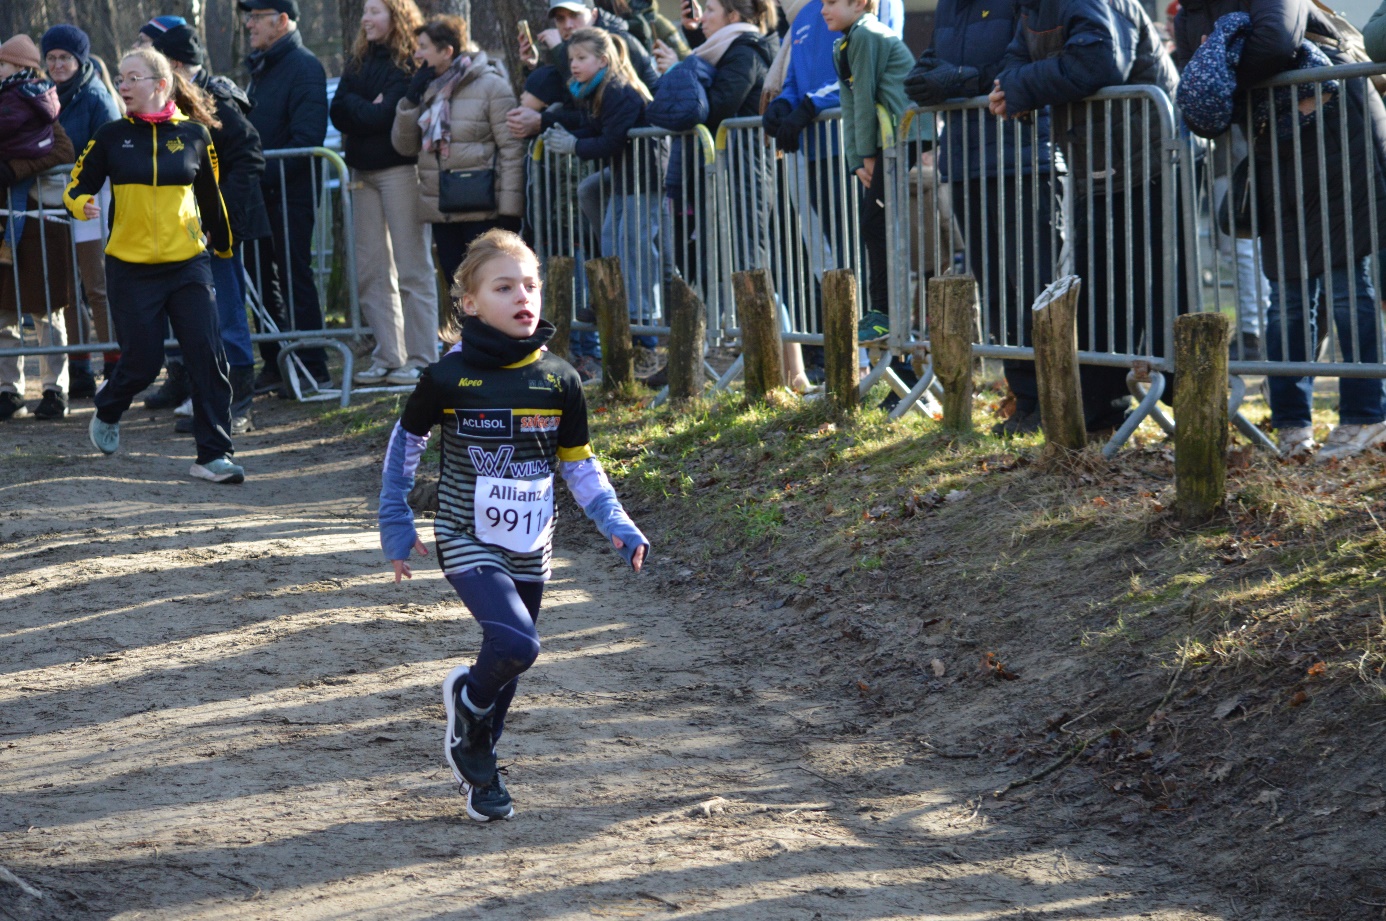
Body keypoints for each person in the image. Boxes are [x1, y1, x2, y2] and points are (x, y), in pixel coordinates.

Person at [379, 229, 648, 822]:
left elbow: (578, 465)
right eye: (504, 287)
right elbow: (406, 446)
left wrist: (616, 521)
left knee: (509, 657)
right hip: (464, 534)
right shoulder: (447, 376)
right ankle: (468, 707)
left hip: (531, 544)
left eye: (530, 285)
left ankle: (481, 766)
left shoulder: (560, 379)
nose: (523, 296)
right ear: (470, 303)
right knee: (518, 643)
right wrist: (395, 519)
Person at [1175, 0, 1386, 460]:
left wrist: (1222, 67)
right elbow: (1190, 83)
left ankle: (1365, 415)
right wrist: (1218, 72)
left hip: (1337, 134)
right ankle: (1293, 424)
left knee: (1350, 286)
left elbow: (1275, 44)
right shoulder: (1190, 10)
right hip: (1276, 143)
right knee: (1287, 298)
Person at [992, 0, 1180, 436]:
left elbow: (1099, 64)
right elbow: (1012, 63)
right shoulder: (1032, 9)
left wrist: (1023, 86)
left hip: (1149, 157)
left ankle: (1192, 406)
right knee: (1097, 297)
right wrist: (1018, 86)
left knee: (1162, 292)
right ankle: (1098, 412)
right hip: (1094, 162)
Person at [65, 47, 245, 485]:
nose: (122, 86)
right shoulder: (109, 137)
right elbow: (76, 185)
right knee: (143, 362)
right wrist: (83, 203)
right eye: (121, 78)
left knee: (208, 356)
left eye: (132, 78)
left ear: (159, 85)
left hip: (188, 265)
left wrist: (221, 248)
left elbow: (211, 197)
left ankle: (214, 455)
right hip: (130, 266)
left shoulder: (197, 136)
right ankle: (109, 409)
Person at [904, 0, 1057, 435]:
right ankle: (1025, 399)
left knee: (1035, 284)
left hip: (1023, 155)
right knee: (995, 288)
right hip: (966, 160)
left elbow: (1022, 56)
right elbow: (936, 59)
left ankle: (1055, 397)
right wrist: (924, 78)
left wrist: (962, 78)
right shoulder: (950, 6)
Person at [145, 18, 270, 435]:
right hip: (182, 230)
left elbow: (250, 152)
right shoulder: (160, 105)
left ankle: (240, 406)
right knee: (197, 317)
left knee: (230, 315)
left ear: (172, 64)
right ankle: (210, 400)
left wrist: (218, 218)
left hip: (218, 231)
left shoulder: (213, 97)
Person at [333, 0, 441, 388]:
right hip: (362, 172)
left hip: (401, 171)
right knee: (371, 270)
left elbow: (388, 113)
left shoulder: (411, 60)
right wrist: (367, 108)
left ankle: (423, 357)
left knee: (413, 268)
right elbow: (339, 110)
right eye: (363, 11)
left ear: (396, 15)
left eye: (374, 11)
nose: (365, 18)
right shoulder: (358, 59)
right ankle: (388, 355)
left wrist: (362, 109)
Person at [542, 29, 666, 361]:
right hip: (627, 177)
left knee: (632, 249)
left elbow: (612, 140)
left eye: (581, 58)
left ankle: (644, 339)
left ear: (603, 60)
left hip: (644, 179)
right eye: (570, 59)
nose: (574, 65)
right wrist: (564, 131)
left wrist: (573, 146)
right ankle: (611, 301)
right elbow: (597, 130)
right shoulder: (598, 91)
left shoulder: (617, 91)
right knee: (605, 222)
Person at [392, 15, 525, 286]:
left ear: (447, 51)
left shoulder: (491, 85)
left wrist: (510, 211)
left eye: (423, 47)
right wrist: (410, 100)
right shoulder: (427, 89)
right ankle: (465, 331)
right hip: (443, 208)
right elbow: (405, 147)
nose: (417, 54)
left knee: (488, 283)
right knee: (457, 287)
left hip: (483, 209)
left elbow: (512, 148)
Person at [240, 0, 331, 392]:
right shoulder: (261, 67)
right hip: (258, 195)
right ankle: (276, 363)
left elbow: (306, 139)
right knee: (260, 280)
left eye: (256, 17)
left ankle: (313, 366)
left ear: (282, 20)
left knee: (294, 277)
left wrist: (257, 174)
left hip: (289, 193)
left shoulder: (304, 66)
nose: (248, 24)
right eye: (248, 17)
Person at [41, 25, 123, 403]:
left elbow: (110, 147)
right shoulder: (43, 97)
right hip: (58, 203)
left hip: (93, 202)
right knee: (69, 291)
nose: (58, 64)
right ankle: (79, 369)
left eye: (65, 58)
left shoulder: (95, 96)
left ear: (80, 60)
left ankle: (114, 363)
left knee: (97, 286)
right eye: (52, 57)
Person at [821, 0, 912, 334]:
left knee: (876, 224)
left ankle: (887, 316)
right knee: (876, 224)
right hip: (883, 143)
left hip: (904, 138)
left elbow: (865, 98)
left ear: (859, 3)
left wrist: (869, 153)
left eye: (831, 2)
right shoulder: (843, 42)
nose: (823, 10)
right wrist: (857, 159)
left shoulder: (866, 33)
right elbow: (849, 102)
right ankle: (884, 315)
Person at [0, 122, 76, 422]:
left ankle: (55, 390)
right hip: (4, 225)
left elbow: (64, 151)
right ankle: (9, 391)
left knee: (48, 311)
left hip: (42, 225)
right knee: (4, 313)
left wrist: (16, 168)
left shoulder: (40, 113)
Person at [0, 35, 59, 268]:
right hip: (22, 152)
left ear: (20, 67)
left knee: (17, 199)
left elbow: (7, 123)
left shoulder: (18, 93)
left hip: (22, 156)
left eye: (2, 65)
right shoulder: (29, 90)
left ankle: (9, 246)